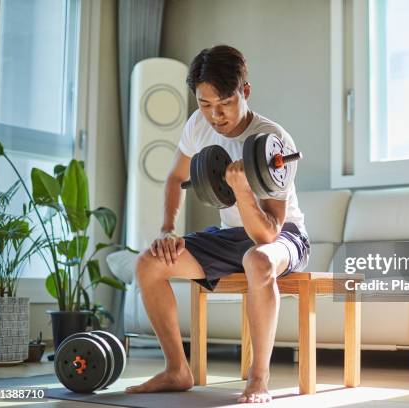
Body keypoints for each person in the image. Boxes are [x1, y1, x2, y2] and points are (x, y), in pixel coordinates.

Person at [125, 45, 310, 404]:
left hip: (285, 236)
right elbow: (176, 176)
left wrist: (243, 192)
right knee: (148, 264)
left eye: (223, 102)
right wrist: (167, 229)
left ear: (245, 91)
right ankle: (177, 369)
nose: (215, 114)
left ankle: (259, 377)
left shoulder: (274, 140)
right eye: (204, 103)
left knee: (258, 259)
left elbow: (268, 233)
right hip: (231, 237)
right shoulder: (198, 124)